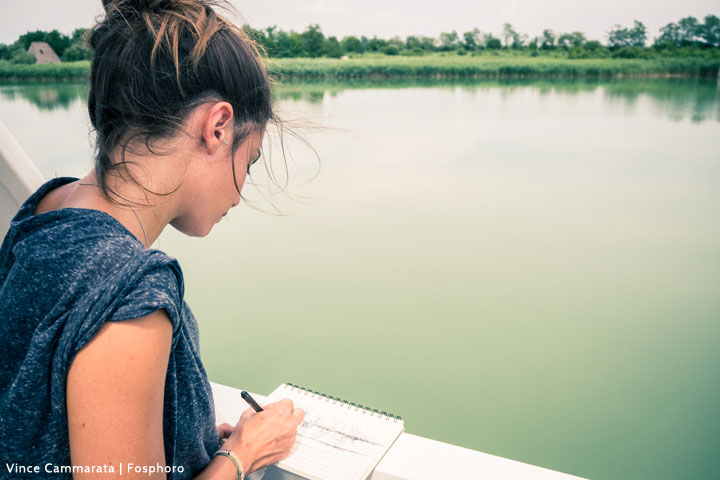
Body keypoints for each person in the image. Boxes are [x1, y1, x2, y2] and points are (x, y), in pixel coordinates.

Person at [0, 0, 305, 478]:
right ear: (218, 127)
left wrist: (190, 435)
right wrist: (242, 455)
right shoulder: (130, 290)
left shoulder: (45, 209)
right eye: (251, 160)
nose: (241, 192)